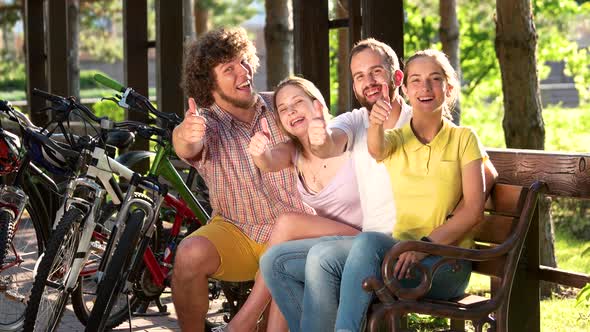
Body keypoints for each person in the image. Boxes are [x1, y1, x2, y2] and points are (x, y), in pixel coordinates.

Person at [260, 39, 498, 332]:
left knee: (328, 258)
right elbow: (337, 145)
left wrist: (448, 225)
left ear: (398, 80)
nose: (368, 82)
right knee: (275, 261)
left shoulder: (430, 122)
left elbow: (486, 176)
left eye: (376, 72)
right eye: (359, 76)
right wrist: (319, 140)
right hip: (375, 245)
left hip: (419, 253)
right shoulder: (362, 124)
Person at [335, 48, 487, 331]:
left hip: (446, 263)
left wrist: (422, 248)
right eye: (416, 80)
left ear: (448, 87)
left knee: (345, 274)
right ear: (404, 88)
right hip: (399, 255)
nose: (425, 88)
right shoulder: (396, 139)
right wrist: (376, 122)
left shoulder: (464, 139)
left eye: (434, 79)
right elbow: (376, 147)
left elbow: (475, 212)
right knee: (359, 249)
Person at [171, 27, 312, 332]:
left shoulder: (280, 106)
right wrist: (185, 134)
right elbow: (186, 145)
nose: (243, 73)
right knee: (189, 253)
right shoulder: (205, 124)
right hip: (238, 231)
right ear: (209, 82)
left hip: (295, 234)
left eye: (244, 62)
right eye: (229, 69)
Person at [239, 76, 364, 331]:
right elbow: (270, 160)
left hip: (368, 240)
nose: (291, 110)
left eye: (298, 102)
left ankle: (245, 320)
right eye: (283, 109)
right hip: (333, 247)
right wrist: (259, 153)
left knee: (287, 223)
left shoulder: (341, 135)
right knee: (281, 261)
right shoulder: (293, 151)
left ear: (317, 104)